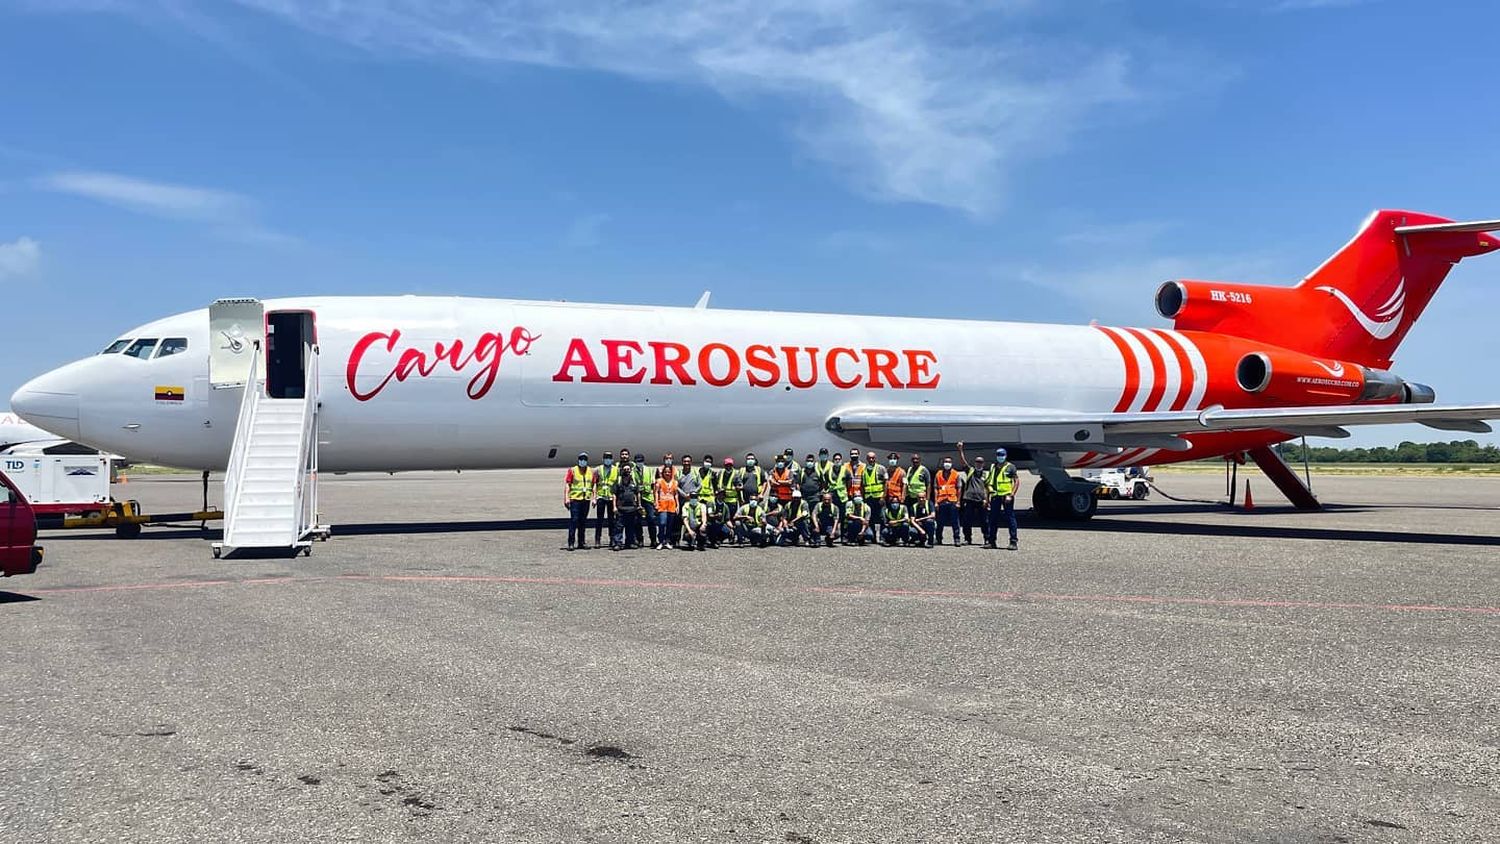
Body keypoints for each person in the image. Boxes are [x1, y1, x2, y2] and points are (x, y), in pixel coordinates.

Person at [986, 447, 1021, 550]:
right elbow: (989, 481)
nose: (1000, 457)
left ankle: (1013, 541)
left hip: (1007, 496)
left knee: (1010, 519)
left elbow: (1016, 481)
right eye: (998, 455)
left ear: (1005, 456)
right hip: (995, 495)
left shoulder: (1010, 467)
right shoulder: (993, 466)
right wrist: (988, 497)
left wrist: (1012, 494)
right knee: (993, 519)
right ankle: (992, 541)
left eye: (1002, 455)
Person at [956, 443, 988, 546]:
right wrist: (960, 450)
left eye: (980, 462)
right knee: (967, 521)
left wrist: (986, 500)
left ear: (983, 464)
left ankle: (987, 539)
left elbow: (988, 488)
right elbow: (963, 462)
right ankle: (967, 538)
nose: (978, 463)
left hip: (981, 500)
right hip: (969, 499)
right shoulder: (971, 471)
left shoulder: (986, 474)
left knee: (984, 521)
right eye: (977, 462)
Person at [563, 452, 595, 550]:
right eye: (581, 459)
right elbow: (568, 485)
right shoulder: (573, 470)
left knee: (583, 522)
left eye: (585, 459)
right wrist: (566, 498)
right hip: (575, 500)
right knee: (574, 521)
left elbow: (593, 485)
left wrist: (594, 498)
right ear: (578, 460)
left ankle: (581, 542)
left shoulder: (591, 471)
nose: (583, 461)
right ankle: (571, 543)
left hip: (586, 499)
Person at [613, 459, 644, 549]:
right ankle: (618, 543)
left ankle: (630, 542)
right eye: (625, 469)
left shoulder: (634, 482)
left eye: (628, 469)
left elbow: (638, 493)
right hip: (621, 509)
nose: (626, 471)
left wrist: (639, 505)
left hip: (632, 508)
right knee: (619, 527)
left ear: (630, 471)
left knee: (631, 527)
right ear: (622, 471)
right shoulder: (618, 483)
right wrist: (614, 507)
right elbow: (614, 495)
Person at [933, 455, 963, 547]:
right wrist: (936, 502)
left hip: (952, 501)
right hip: (941, 501)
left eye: (949, 462)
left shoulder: (956, 474)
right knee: (940, 522)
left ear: (952, 463)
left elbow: (959, 488)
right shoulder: (938, 474)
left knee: (955, 522)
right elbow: (936, 488)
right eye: (946, 462)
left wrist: (958, 502)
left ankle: (957, 539)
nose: (947, 463)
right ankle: (938, 539)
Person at [593, 451, 621, 549]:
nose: (607, 459)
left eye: (609, 457)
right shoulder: (598, 469)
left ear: (612, 459)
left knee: (611, 520)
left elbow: (617, 484)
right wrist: (594, 498)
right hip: (601, 497)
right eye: (606, 457)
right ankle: (597, 540)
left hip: (611, 497)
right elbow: (595, 484)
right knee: (599, 520)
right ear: (603, 459)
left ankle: (612, 539)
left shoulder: (616, 470)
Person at [860, 451, 888, 536]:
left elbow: (886, 483)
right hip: (869, 498)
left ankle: (883, 537)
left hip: (879, 497)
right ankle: (872, 536)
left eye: (873, 458)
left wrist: (883, 497)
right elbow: (862, 485)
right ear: (867, 459)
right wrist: (863, 497)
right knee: (870, 517)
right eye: (869, 458)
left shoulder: (881, 468)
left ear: (875, 458)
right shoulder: (864, 470)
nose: (871, 460)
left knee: (882, 517)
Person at [653, 464, 680, 550]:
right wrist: (656, 502)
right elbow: (656, 492)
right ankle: (661, 541)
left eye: (669, 472)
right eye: (665, 472)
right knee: (662, 523)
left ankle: (667, 541)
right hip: (662, 504)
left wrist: (677, 505)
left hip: (671, 504)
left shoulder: (675, 482)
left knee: (669, 524)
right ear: (663, 473)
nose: (667, 473)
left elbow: (676, 494)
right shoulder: (659, 481)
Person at [636, 453, 658, 548]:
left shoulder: (649, 470)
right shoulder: (633, 471)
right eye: (638, 461)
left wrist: (655, 500)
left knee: (651, 519)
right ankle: (640, 540)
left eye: (641, 461)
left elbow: (653, 486)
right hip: (638, 499)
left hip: (648, 498)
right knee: (637, 520)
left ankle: (653, 540)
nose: (639, 463)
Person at [823, 451, 851, 521]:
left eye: (839, 459)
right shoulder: (828, 471)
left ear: (841, 460)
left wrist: (846, 492)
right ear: (833, 460)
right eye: (836, 459)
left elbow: (849, 483)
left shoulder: (846, 471)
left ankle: (842, 530)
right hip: (832, 496)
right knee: (832, 513)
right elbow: (825, 484)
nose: (837, 460)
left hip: (842, 497)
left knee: (842, 515)